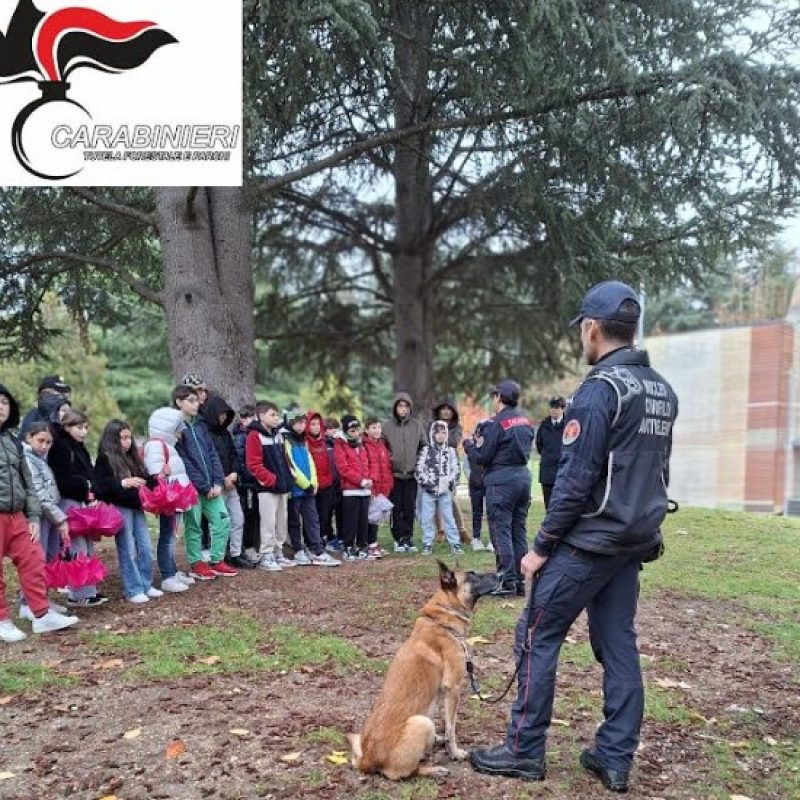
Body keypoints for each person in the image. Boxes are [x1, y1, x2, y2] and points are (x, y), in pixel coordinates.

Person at [469, 281, 678, 795]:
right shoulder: (661, 390)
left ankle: (524, 750)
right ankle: (615, 757)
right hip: (633, 541)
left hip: (590, 542)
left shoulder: (600, 389)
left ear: (592, 327)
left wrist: (540, 548)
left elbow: (575, 479)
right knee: (618, 642)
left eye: (582, 329)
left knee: (535, 633)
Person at [0, 384, 78, 642]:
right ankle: (2, 620)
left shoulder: (12, 441)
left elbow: (29, 484)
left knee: (34, 560)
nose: (1, 406)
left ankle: (42, 615)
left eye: (5, 402)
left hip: (17, 516)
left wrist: (33, 517)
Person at [463, 380, 534, 597]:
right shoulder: (525, 421)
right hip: (523, 478)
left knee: (500, 530)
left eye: (494, 396)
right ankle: (520, 582)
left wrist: (469, 445)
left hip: (501, 482)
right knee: (518, 531)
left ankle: (506, 580)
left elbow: (483, 457)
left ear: (499, 398)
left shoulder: (497, 423)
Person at [172, 385, 235, 580]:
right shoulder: (175, 429)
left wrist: (217, 482)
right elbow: (184, 462)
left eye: (196, 400)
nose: (196, 404)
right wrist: (204, 486)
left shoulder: (200, 425)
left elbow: (212, 454)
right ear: (179, 402)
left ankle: (217, 560)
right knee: (194, 525)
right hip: (192, 487)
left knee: (223, 520)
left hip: (212, 486)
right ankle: (196, 563)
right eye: (191, 400)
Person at [48, 409, 109, 608]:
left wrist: (92, 490)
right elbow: (63, 479)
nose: (84, 432)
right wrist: (85, 485)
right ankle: (79, 594)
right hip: (69, 502)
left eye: (86, 427)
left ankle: (88, 590)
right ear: (67, 427)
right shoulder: (61, 447)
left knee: (87, 547)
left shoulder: (78, 447)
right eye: (79, 427)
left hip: (82, 502)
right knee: (77, 548)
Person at [95, 420, 160, 604]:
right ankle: (133, 589)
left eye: (129, 437)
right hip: (120, 508)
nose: (127, 442)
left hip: (137, 507)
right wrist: (123, 483)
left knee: (145, 547)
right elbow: (100, 487)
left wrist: (155, 479)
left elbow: (145, 479)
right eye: (123, 438)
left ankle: (145, 584)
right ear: (113, 439)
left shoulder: (133, 458)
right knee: (128, 548)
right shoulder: (105, 459)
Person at [143, 407, 195, 593]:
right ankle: (167, 575)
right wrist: (163, 473)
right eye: (177, 429)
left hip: (176, 499)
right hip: (169, 500)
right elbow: (154, 473)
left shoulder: (168, 446)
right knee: (167, 537)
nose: (180, 433)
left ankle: (172, 570)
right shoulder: (156, 446)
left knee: (171, 536)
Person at [282, 409, 339, 567]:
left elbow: (310, 462)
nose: (302, 426)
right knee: (295, 521)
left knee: (312, 519)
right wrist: (305, 484)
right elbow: (291, 466)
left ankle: (317, 549)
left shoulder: (303, 440)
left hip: (309, 488)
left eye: (303, 422)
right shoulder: (286, 440)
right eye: (299, 423)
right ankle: (298, 550)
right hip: (295, 489)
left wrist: (313, 482)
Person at [200, 393, 251, 570]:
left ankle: (235, 553)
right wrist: (222, 479)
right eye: (221, 414)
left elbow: (234, 455)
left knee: (238, 518)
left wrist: (234, 473)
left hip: (231, 484)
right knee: (218, 522)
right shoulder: (204, 433)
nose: (223, 418)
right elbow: (209, 460)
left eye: (225, 415)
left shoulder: (225, 434)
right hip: (216, 484)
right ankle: (218, 555)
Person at [245, 401, 296, 572]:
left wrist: (288, 477)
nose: (276, 418)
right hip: (267, 488)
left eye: (277, 415)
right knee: (268, 522)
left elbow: (285, 458)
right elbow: (253, 464)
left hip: (282, 486)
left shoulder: (278, 434)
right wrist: (271, 480)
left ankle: (278, 552)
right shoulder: (254, 435)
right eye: (272, 415)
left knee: (281, 521)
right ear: (261, 416)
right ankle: (266, 555)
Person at [383, 393, 425, 552]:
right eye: (400, 406)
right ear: (395, 408)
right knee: (396, 508)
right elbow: (381, 447)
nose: (403, 409)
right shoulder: (387, 427)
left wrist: (418, 461)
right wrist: (389, 458)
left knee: (409, 508)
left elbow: (424, 445)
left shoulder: (416, 425)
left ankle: (408, 537)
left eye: (406, 406)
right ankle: (398, 538)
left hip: (411, 475)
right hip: (394, 475)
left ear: (410, 408)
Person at [415, 420, 463, 556]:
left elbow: (456, 469)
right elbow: (418, 469)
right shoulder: (426, 450)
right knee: (427, 518)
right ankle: (427, 543)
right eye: (437, 433)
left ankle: (455, 543)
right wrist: (426, 482)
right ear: (432, 434)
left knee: (449, 517)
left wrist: (450, 482)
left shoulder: (450, 451)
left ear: (446, 434)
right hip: (428, 490)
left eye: (443, 433)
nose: (440, 435)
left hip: (445, 490)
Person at [332, 415, 372, 561]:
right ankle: (348, 546)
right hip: (350, 490)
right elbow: (343, 468)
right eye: (352, 431)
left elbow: (366, 463)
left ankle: (362, 545)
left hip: (365, 489)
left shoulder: (360, 445)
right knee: (351, 520)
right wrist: (360, 481)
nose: (355, 433)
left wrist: (368, 479)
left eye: (357, 430)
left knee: (363, 520)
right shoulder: (340, 445)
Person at [432, 398, 469, 544]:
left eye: (449, 409)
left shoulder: (456, 427)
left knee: (451, 498)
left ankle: (461, 530)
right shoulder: (432, 426)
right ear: (439, 411)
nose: (446, 411)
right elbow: (429, 442)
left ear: (453, 412)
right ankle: (440, 531)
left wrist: (440, 436)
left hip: (451, 466)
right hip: (435, 464)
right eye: (443, 409)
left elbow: (453, 442)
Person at [232, 405, 260, 564]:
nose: (250, 420)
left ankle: (250, 545)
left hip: (254, 482)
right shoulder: (240, 436)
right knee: (247, 515)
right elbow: (241, 460)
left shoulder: (254, 433)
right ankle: (246, 547)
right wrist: (250, 476)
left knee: (254, 515)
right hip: (246, 483)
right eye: (246, 417)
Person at [362, 417, 393, 559]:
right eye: (373, 428)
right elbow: (366, 467)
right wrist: (371, 488)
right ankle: (368, 544)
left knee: (376, 517)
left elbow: (386, 467)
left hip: (383, 487)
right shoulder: (364, 445)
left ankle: (373, 542)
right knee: (370, 517)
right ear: (367, 430)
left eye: (379, 427)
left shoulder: (381, 445)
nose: (377, 430)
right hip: (371, 487)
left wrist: (388, 484)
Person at [306, 412, 338, 551]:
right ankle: (311, 543)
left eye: (318, 424)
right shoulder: (305, 441)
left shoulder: (326, 441)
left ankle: (322, 539)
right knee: (312, 516)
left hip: (327, 483)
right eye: (312, 424)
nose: (316, 427)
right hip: (312, 484)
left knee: (324, 514)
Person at [535, 396, 566, 509]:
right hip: (547, 471)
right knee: (548, 505)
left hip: (563, 471)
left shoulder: (569, 424)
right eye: (552, 407)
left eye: (557, 408)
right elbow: (539, 445)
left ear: (563, 409)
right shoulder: (544, 425)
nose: (553, 410)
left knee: (562, 505)